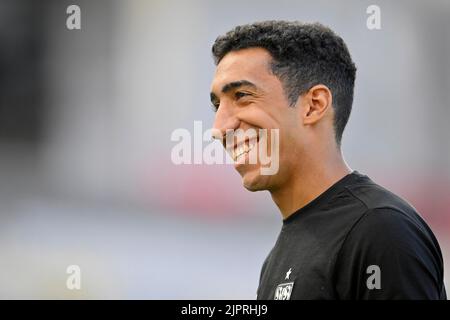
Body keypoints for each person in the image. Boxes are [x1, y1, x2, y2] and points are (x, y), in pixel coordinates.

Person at [209, 20, 446, 300]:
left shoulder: (380, 230)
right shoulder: (277, 257)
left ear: (314, 105)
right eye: (217, 105)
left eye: (242, 96)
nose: (219, 128)